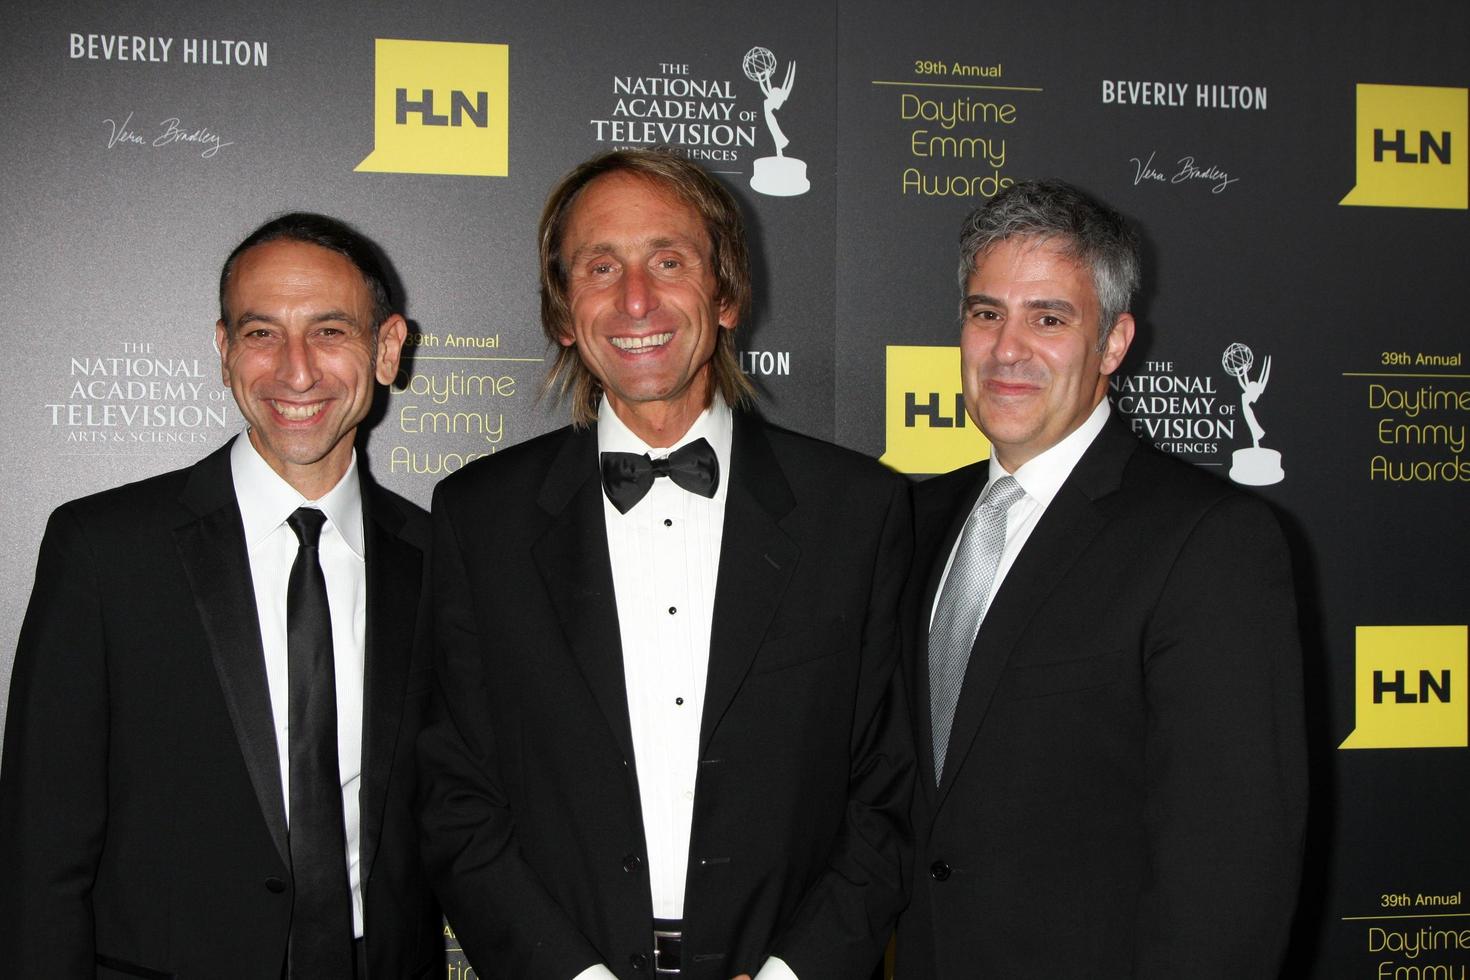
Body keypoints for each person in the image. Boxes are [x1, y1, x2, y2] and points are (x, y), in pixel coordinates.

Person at [419, 148, 914, 980]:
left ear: (725, 294)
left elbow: (888, 792)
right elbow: (456, 797)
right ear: (563, 312)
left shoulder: (856, 512)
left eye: (669, 261)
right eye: (600, 266)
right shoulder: (480, 518)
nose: (635, 299)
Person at [0, 213, 442, 978]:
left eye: (330, 331)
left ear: (387, 348)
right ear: (223, 349)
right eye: (261, 332)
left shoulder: (440, 558)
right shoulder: (104, 548)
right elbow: (41, 848)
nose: (294, 371)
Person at [895, 180, 1308, 978]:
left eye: (1049, 318)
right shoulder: (911, 522)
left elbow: (1231, 874)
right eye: (987, 314)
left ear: (1114, 344)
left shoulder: (1209, 542)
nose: (1007, 349)